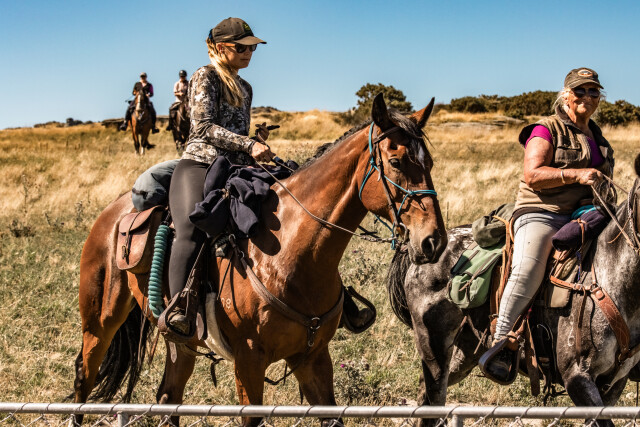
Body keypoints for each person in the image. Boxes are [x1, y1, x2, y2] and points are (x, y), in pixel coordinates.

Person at [484, 67, 615, 382]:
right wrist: (576, 175)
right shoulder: (546, 129)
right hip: (543, 212)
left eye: (593, 91)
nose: (587, 96)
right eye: (580, 90)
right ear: (566, 95)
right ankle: (501, 342)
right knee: (529, 267)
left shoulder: (599, 138)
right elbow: (533, 175)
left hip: (586, 214)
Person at [165, 17, 274, 333]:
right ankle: (179, 310)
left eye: (252, 49)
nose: (248, 53)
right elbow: (203, 127)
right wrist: (249, 143)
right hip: (199, 165)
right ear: (222, 47)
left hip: (236, 168)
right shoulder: (205, 76)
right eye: (242, 48)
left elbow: (235, 134)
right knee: (191, 227)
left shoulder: (246, 87)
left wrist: (256, 139)